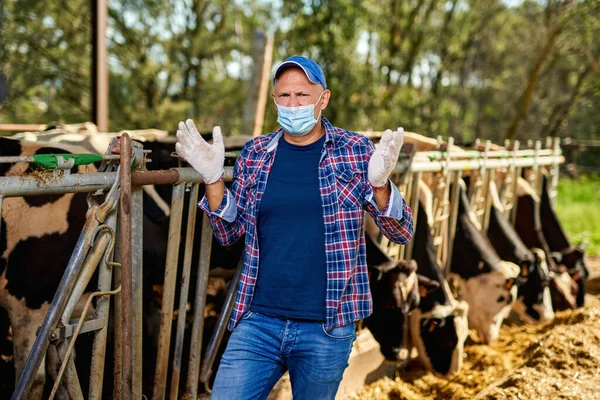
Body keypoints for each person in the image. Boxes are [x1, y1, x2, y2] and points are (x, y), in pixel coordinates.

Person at [175, 55, 413, 400]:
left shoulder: (356, 151)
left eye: (302, 95)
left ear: (323, 98)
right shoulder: (255, 153)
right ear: (274, 100)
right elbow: (228, 234)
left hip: (327, 326)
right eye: (284, 96)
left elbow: (401, 232)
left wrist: (380, 186)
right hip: (258, 321)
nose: (293, 104)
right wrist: (212, 180)